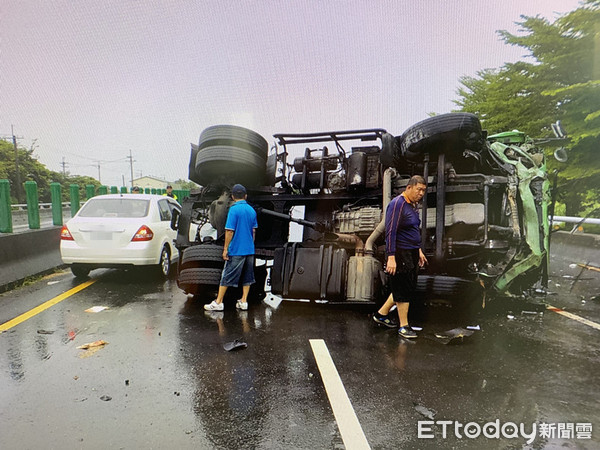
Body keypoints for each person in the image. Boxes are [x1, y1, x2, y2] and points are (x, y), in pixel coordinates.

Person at [373, 175, 428, 338]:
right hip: (399, 251)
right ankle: (403, 326)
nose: (421, 193)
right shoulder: (398, 204)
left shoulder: (412, 205)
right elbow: (390, 231)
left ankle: (381, 315)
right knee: (403, 288)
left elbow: (412, 230)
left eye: (424, 190)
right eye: (419, 189)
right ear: (409, 187)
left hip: (411, 251)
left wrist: (418, 250)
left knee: (405, 287)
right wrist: (391, 256)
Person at [204, 184, 258, 312]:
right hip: (249, 249)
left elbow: (229, 231)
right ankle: (244, 301)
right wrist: (250, 244)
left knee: (227, 275)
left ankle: (218, 302)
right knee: (247, 276)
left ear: (233, 197)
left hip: (236, 249)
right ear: (245, 196)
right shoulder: (251, 210)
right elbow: (254, 231)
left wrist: (225, 249)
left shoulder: (234, 210)